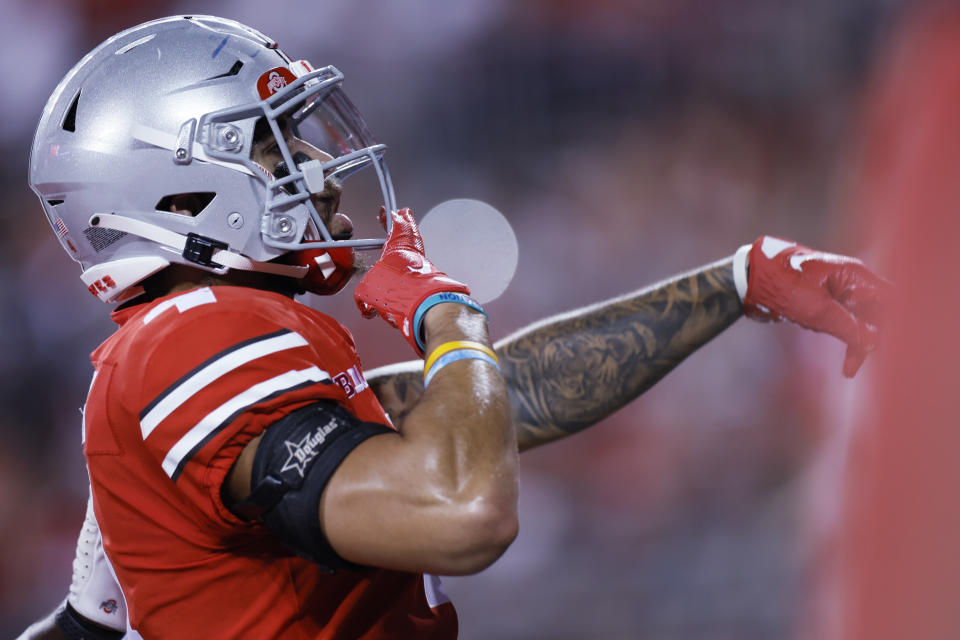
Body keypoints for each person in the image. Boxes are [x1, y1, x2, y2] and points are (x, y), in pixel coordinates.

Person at [20, 15, 887, 640]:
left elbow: (502, 399)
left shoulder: (187, 356)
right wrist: (444, 313)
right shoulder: (195, 336)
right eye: (270, 147)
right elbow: (464, 509)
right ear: (173, 196)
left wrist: (733, 285)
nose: (317, 170)